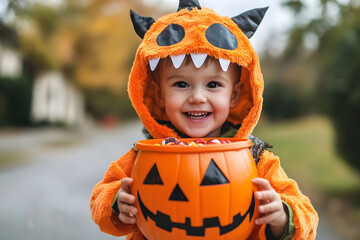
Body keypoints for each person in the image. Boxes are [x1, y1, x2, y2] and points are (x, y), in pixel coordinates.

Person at [89, 1, 319, 239]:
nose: (197, 97)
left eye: (213, 85)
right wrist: (117, 203)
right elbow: (99, 198)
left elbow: (306, 215)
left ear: (235, 95)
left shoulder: (256, 160)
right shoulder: (144, 157)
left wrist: (281, 216)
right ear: (159, 95)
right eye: (181, 84)